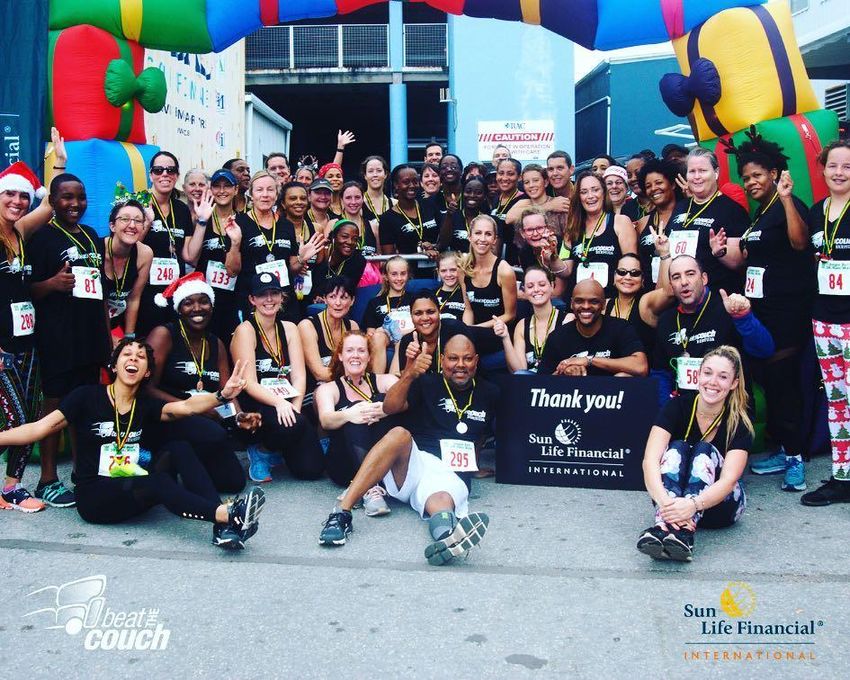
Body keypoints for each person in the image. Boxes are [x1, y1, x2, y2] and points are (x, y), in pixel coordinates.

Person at [0, 336, 265, 549]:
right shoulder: (85, 397)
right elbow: (38, 429)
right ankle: (228, 514)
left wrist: (221, 395)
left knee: (179, 448)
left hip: (130, 482)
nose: (133, 359)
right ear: (114, 366)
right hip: (96, 497)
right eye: (127, 354)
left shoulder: (145, 404)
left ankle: (223, 525)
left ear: (147, 372)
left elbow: (185, 407)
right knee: (158, 482)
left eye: (140, 357)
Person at [318, 333, 492, 566]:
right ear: (442, 359)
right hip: (416, 461)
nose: (460, 365)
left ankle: (448, 539)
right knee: (399, 434)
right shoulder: (427, 383)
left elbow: (485, 435)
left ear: (476, 361)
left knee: (441, 501)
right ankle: (341, 513)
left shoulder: (491, 392)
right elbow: (391, 406)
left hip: (451, 474)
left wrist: (476, 465)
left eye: (467, 358)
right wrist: (410, 373)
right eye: (453, 358)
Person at [716, 132, 812, 492]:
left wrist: (786, 199)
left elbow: (799, 243)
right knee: (769, 380)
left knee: (782, 381)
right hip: (762, 310)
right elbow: (750, 260)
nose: (750, 182)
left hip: (788, 310)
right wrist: (722, 252)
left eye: (757, 175)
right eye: (745, 177)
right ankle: (784, 449)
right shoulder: (759, 214)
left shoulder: (789, 203)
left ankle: (796, 460)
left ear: (774, 173)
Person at [29, 173, 112, 509]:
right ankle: (47, 480)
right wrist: (52, 284)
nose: (75, 204)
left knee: (85, 407)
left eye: (80, 197)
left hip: (90, 338)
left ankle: (83, 473)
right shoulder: (41, 238)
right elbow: (27, 290)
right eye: (66, 197)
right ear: (52, 200)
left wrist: (106, 339)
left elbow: (100, 291)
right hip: (58, 338)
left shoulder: (92, 236)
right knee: (55, 408)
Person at [638, 346, 752, 562]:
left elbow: (728, 481)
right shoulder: (676, 407)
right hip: (671, 504)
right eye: (708, 373)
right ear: (698, 375)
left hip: (717, 506)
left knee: (703, 450)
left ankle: (682, 532)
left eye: (723, 377)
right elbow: (649, 461)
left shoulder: (740, 422)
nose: (713, 382)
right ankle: (668, 528)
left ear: (734, 383)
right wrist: (664, 503)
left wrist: (692, 506)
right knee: (677, 447)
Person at [145, 272, 252, 493]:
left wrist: (240, 416)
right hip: (167, 417)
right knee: (213, 433)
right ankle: (164, 458)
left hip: (204, 422)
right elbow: (146, 388)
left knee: (233, 483)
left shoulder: (216, 343)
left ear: (211, 306)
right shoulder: (164, 335)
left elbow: (227, 391)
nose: (197, 308)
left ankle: (187, 461)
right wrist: (194, 409)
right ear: (178, 308)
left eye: (203, 301)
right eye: (188, 303)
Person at [0, 160, 57, 511]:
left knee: (29, 417)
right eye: (9, 194)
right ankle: (11, 488)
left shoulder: (18, 232)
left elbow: (49, 206)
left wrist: (57, 164)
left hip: (26, 342)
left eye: (23, 196)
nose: (17, 201)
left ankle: (12, 486)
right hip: (2, 347)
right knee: (17, 419)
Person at [231, 272, 324, 483]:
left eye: (274, 293)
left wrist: (295, 408)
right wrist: (280, 403)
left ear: (282, 297)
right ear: (252, 299)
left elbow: (299, 376)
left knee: (312, 470)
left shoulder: (290, 328)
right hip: (257, 403)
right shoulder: (245, 330)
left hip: (286, 400)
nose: (269, 299)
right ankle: (261, 450)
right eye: (262, 294)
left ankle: (281, 446)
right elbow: (249, 383)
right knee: (287, 423)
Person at [653, 255, 775, 404]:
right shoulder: (666, 320)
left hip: (729, 406)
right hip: (684, 408)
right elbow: (660, 373)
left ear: (704, 278)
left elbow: (765, 350)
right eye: (676, 277)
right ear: (671, 285)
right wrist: (667, 406)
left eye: (690, 274)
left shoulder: (727, 308)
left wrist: (743, 318)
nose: (684, 282)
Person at [801, 140, 850, 506]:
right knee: (837, 401)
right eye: (833, 165)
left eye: (847, 166)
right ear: (823, 169)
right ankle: (842, 476)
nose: (839, 172)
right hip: (824, 320)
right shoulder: (817, 212)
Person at [315, 331, 399, 514]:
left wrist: (386, 409)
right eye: (349, 350)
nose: (355, 355)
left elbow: (405, 401)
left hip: (382, 462)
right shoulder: (329, 389)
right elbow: (326, 420)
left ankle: (367, 485)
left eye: (361, 351)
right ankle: (369, 488)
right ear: (340, 356)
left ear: (369, 356)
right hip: (344, 465)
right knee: (356, 409)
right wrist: (349, 414)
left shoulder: (384, 381)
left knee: (384, 400)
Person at [669, 147, 750, 295]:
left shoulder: (732, 210)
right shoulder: (681, 206)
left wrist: (721, 252)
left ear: (716, 173)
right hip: (681, 295)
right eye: (692, 171)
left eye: (702, 171)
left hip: (716, 296)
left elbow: (740, 262)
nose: (697, 176)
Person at [538, 279, 648, 377]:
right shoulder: (558, 337)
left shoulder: (621, 328)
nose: (586, 306)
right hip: (573, 392)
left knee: (623, 377)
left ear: (603, 304)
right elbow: (541, 382)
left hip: (611, 392)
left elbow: (641, 367)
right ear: (571, 304)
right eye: (579, 301)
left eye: (593, 301)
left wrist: (589, 360)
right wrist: (564, 372)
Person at [183, 169, 243, 340]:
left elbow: (234, 270)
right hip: (205, 300)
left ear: (236, 190)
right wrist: (201, 222)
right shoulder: (200, 219)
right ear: (210, 190)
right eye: (217, 186)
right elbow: (191, 258)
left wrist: (235, 243)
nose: (222, 191)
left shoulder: (244, 222)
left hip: (233, 298)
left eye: (227, 186)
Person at [138, 151, 194, 334]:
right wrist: (146, 223)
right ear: (150, 175)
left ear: (177, 175)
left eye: (170, 170)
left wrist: (201, 222)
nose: (164, 174)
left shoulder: (181, 209)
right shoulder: (138, 203)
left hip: (174, 290)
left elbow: (189, 256)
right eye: (158, 170)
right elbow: (126, 249)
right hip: (144, 289)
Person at [565, 171, 638, 298]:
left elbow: (632, 266)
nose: (590, 196)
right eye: (584, 192)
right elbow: (566, 270)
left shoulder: (620, 222)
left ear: (604, 193)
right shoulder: (572, 228)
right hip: (579, 301)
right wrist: (552, 258)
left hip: (611, 299)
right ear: (579, 197)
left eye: (595, 190)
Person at [236, 171, 296, 317]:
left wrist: (302, 258)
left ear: (276, 194)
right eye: (259, 190)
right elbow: (232, 270)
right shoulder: (239, 223)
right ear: (251, 194)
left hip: (283, 298)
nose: (265, 195)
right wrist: (234, 243)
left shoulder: (287, 225)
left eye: (270, 190)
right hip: (252, 298)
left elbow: (293, 266)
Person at [297, 276, 360, 404]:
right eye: (332, 297)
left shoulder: (353, 326)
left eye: (344, 297)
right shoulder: (307, 326)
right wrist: (354, 373)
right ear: (325, 299)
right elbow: (319, 373)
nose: (338, 303)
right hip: (315, 393)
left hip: (346, 388)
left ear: (352, 301)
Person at [494, 266, 568, 373]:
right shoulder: (522, 325)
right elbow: (519, 370)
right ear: (524, 290)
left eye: (542, 284)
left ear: (552, 286)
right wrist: (505, 337)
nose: (536, 290)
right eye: (530, 286)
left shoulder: (567, 320)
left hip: (558, 380)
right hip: (530, 381)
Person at [463, 215, 517, 355]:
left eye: (488, 234)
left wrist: (475, 330)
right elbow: (468, 309)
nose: (482, 239)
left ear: (494, 239)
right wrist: (466, 332)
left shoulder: (504, 271)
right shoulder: (463, 268)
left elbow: (510, 315)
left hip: (498, 335)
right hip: (473, 335)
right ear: (470, 237)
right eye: (478, 233)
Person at [605, 250, 675, 359]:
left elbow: (669, 292)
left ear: (642, 280)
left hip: (641, 368)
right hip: (607, 367)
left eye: (635, 273)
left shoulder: (644, 303)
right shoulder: (604, 305)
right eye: (622, 272)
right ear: (614, 277)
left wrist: (664, 253)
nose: (628, 277)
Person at [102, 199, 153, 339]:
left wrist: (128, 337)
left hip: (117, 322)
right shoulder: (96, 249)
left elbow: (134, 299)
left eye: (138, 221)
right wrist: (108, 339)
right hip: (91, 321)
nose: (132, 225)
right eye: (125, 219)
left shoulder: (145, 254)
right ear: (112, 226)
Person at [380, 165, 440, 276]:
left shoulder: (430, 205)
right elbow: (390, 258)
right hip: (408, 277)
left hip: (437, 274)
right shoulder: (387, 219)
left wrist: (435, 247)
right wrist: (418, 255)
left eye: (415, 181)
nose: (412, 186)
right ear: (396, 185)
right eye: (406, 182)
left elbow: (443, 239)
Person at [390, 291, 464, 375]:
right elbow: (405, 380)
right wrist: (411, 365)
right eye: (418, 313)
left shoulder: (456, 331)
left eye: (430, 312)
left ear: (439, 312)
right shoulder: (408, 342)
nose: (425, 318)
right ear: (411, 316)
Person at [363, 256, 413, 373]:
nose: (399, 278)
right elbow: (370, 334)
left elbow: (421, 325)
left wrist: (396, 332)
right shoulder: (375, 302)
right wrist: (383, 331)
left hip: (408, 336)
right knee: (378, 336)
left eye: (403, 274)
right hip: (384, 338)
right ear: (386, 276)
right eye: (394, 274)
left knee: (401, 340)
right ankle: (376, 380)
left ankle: (393, 380)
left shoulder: (414, 298)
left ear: (408, 275)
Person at [635, 159, 681, 288]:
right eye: (648, 186)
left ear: (672, 184)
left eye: (659, 183)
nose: (653, 189)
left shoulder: (686, 214)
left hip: (682, 287)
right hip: (652, 292)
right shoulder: (643, 223)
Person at [286, 180, 328, 311]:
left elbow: (321, 264)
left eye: (303, 198)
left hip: (310, 293)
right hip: (285, 294)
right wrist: (296, 266)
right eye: (293, 198)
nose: (299, 202)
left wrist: (319, 292)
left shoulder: (317, 228)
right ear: (283, 203)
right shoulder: (278, 229)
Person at [516, 208, 569, 300]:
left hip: (563, 299)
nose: (535, 234)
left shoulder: (560, 245)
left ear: (548, 228)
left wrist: (523, 296)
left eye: (540, 228)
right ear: (522, 233)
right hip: (541, 297)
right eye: (529, 230)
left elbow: (557, 292)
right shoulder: (524, 252)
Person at [311, 220, 367, 292]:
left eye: (355, 239)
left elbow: (349, 289)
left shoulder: (358, 260)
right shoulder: (321, 254)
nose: (350, 242)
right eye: (345, 237)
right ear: (333, 237)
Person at [438, 176, 488, 254]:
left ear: (484, 196)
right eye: (468, 191)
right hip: (456, 260)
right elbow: (442, 245)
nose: (472, 195)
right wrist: (449, 216)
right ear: (462, 193)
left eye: (478, 192)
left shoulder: (488, 221)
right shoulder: (452, 216)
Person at [329, 181, 379, 257]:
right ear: (341, 200)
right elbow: (327, 256)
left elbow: (380, 258)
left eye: (357, 197)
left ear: (363, 199)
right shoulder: (333, 224)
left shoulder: (373, 226)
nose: (353, 202)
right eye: (348, 198)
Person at [435, 251, 472, 322]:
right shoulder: (432, 294)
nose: (448, 274)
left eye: (453, 270)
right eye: (443, 271)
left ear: (461, 269)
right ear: (438, 272)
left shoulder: (468, 293)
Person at [360, 155, 394, 223]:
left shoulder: (395, 204)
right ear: (365, 175)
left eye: (379, 171)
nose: (375, 175)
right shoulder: (357, 203)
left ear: (385, 174)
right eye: (370, 171)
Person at [625, 154, 652, 219]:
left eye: (638, 173)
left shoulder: (663, 204)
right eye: (629, 175)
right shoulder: (625, 209)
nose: (633, 179)